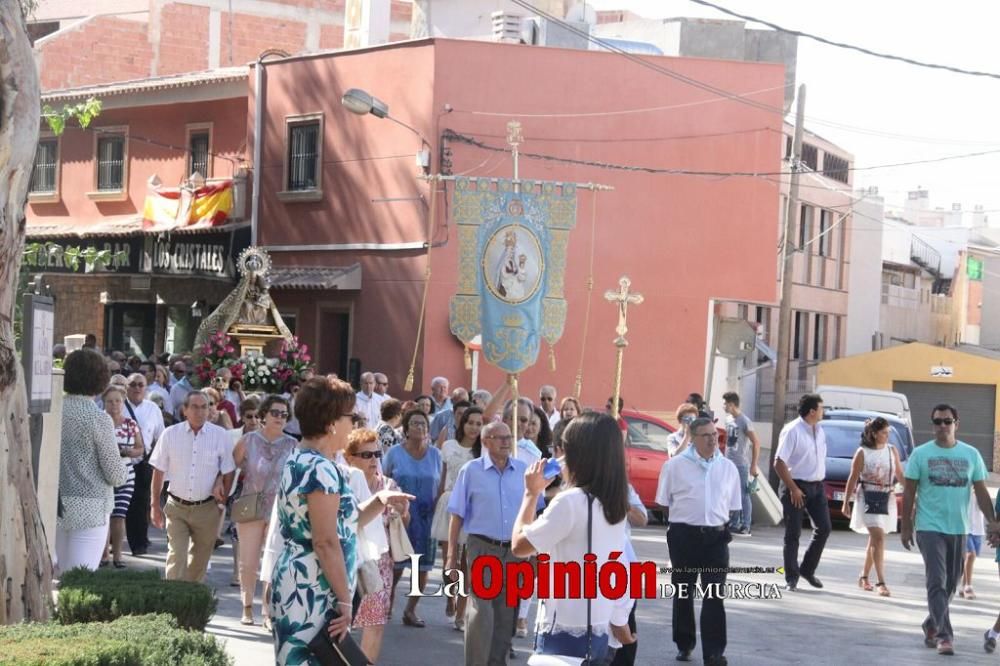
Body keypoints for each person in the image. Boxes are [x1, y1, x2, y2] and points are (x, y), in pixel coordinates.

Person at [268, 377, 411, 664]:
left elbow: (345, 522)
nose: (355, 424)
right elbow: (325, 541)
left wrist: (379, 500)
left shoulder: (301, 457)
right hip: (312, 590)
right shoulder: (321, 469)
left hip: (301, 582)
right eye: (352, 417)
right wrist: (345, 599)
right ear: (331, 421)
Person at [513, 412, 636, 663]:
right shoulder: (615, 502)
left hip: (565, 634)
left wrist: (530, 494)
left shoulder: (570, 502)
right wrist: (619, 618)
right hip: (599, 629)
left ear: (579, 455)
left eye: (565, 450)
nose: (560, 457)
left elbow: (519, 545)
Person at [901, 403, 995, 656]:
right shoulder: (920, 454)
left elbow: (981, 492)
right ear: (932, 425)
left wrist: (993, 521)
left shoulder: (971, 454)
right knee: (936, 581)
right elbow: (909, 491)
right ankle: (945, 636)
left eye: (947, 421)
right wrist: (906, 525)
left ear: (956, 423)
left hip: (959, 528)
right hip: (929, 527)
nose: (942, 426)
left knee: (952, 584)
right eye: (937, 422)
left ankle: (932, 623)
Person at [448, 421, 541, 666]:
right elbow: (456, 514)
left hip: (514, 550)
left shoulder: (523, 470)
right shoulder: (471, 470)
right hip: (482, 548)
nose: (506, 442)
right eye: (499, 437)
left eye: (508, 437)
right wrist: (450, 556)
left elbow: (534, 511)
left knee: (505, 614)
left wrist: (534, 552)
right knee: (481, 613)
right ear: (485, 440)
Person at [655, 416, 741, 665]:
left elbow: (733, 506)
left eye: (715, 435)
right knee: (684, 591)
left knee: (714, 594)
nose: (713, 439)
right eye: (707, 435)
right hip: (684, 536)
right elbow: (663, 503)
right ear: (693, 438)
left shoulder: (728, 468)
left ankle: (714, 652)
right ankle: (684, 643)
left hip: (716, 538)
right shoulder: (675, 466)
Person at [149, 391, 235, 583]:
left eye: (204, 407)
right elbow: (158, 471)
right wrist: (154, 505)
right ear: (184, 410)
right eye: (195, 407)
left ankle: (190, 604)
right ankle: (172, 603)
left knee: (199, 563)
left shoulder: (221, 436)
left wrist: (223, 501)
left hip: (207, 509)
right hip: (176, 507)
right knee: (176, 556)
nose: (200, 411)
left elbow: (229, 470)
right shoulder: (170, 434)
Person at [57, 349, 129, 573]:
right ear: (100, 379)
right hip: (91, 506)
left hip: (55, 503)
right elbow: (115, 474)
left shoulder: (52, 409)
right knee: (80, 579)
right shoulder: (98, 418)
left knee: (56, 578)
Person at [233, 395, 297, 626]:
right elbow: (233, 468)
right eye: (275, 412)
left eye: (284, 414)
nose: (280, 417)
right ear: (264, 415)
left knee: (273, 561)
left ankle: (268, 612)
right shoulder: (248, 440)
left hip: (279, 510)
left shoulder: (292, 445)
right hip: (250, 505)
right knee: (248, 561)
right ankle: (247, 606)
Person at [347, 428, 409, 663]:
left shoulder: (388, 485)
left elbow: (404, 519)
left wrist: (402, 512)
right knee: (342, 623)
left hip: (379, 565)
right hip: (347, 562)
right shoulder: (344, 483)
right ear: (349, 457)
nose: (374, 459)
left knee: (374, 624)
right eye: (367, 455)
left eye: (377, 454)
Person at [384, 409, 442, 627]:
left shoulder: (436, 454)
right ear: (406, 428)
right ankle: (387, 603)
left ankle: (410, 610)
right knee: (396, 564)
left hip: (427, 517)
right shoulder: (394, 453)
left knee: (423, 567)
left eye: (424, 424)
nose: (420, 427)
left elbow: (441, 484)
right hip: (400, 517)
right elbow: (385, 480)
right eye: (416, 423)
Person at [431, 406, 482, 629]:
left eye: (479, 424)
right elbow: (442, 478)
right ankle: (450, 598)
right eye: (470, 422)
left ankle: (461, 614)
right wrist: (438, 500)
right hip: (450, 503)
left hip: (473, 508)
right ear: (462, 423)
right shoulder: (448, 446)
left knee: (467, 564)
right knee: (450, 561)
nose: (474, 427)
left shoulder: (483, 451)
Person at [841, 417, 904, 597]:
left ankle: (864, 576)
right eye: (884, 433)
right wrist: (846, 501)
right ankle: (881, 582)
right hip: (867, 498)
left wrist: (913, 491)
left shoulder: (892, 451)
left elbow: (899, 474)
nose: (887, 436)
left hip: (887, 498)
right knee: (878, 538)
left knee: (875, 540)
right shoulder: (862, 452)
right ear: (874, 434)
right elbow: (852, 477)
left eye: (888, 432)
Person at [774, 393, 829, 592]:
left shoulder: (820, 430)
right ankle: (791, 577)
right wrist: (794, 489)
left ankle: (807, 569)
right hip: (794, 487)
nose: (824, 412)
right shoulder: (792, 431)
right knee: (793, 534)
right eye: (822, 408)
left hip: (816, 486)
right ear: (812, 411)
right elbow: (779, 463)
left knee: (824, 528)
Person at [101, 385, 144, 568]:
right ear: (104, 403)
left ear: (123, 401)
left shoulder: (130, 424)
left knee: (119, 515)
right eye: (110, 401)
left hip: (125, 474)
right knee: (104, 516)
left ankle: (118, 556)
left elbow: (141, 448)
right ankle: (103, 555)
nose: (114, 405)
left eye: (118, 400)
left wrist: (128, 451)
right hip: (102, 475)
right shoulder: (100, 422)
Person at [123, 372, 165, 558]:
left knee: (141, 503)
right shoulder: (119, 406)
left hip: (143, 462)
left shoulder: (153, 408)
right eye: (133, 384)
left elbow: (160, 437)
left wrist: (156, 462)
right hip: (121, 461)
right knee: (123, 504)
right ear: (127, 387)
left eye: (141, 385)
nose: (137, 388)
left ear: (146, 387)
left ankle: (139, 543)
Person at [721, 392, 760, 537]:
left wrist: (753, 465)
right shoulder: (728, 419)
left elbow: (756, 443)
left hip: (741, 464)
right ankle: (734, 523)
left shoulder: (744, 421)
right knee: (732, 494)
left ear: (731, 404)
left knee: (743, 495)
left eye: (725, 403)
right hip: (728, 462)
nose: (723, 406)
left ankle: (746, 525)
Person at [960, 489, 985, 599]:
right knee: (971, 555)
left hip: (978, 528)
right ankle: (968, 587)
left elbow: (984, 507)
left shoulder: (981, 490)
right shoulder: (961, 488)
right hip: (964, 528)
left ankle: (962, 586)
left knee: (970, 559)